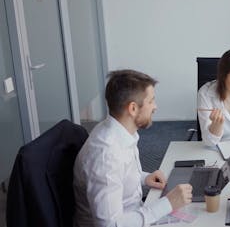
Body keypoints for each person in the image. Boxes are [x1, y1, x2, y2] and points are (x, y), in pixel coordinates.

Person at [73, 70, 193, 227]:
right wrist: (168, 204)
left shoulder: (118, 130)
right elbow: (110, 225)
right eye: (151, 101)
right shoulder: (106, 155)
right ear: (133, 108)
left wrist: (143, 178)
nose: (155, 107)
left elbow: (117, 175)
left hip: (135, 213)